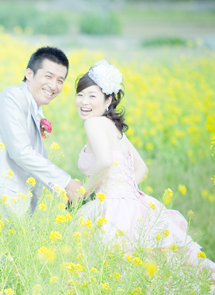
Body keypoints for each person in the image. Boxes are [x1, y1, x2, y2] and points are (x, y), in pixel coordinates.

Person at [74, 60, 215, 278]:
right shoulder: (114, 127)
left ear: (108, 99)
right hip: (136, 204)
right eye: (80, 94)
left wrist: (85, 193)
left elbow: (104, 162)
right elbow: (141, 167)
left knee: (105, 271)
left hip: (109, 208)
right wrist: (124, 192)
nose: (84, 101)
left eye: (92, 96)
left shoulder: (92, 124)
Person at [0, 46, 82, 219]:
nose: (53, 86)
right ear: (29, 74)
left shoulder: (33, 109)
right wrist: (66, 183)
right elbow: (20, 152)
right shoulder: (13, 97)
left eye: (60, 80)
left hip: (13, 207)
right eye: (48, 76)